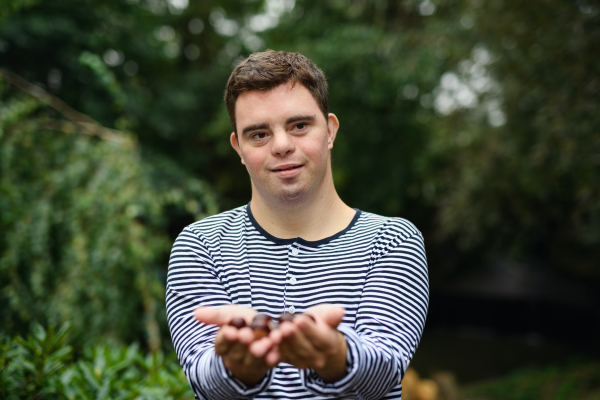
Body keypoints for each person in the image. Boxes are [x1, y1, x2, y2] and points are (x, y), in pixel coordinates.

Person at [166, 50, 429, 400]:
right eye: (259, 134)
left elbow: (384, 372)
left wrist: (337, 355)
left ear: (331, 130)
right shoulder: (198, 245)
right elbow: (202, 375)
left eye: (299, 126)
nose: (282, 145)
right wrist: (234, 367)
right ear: (238, 148)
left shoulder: (394, 241)